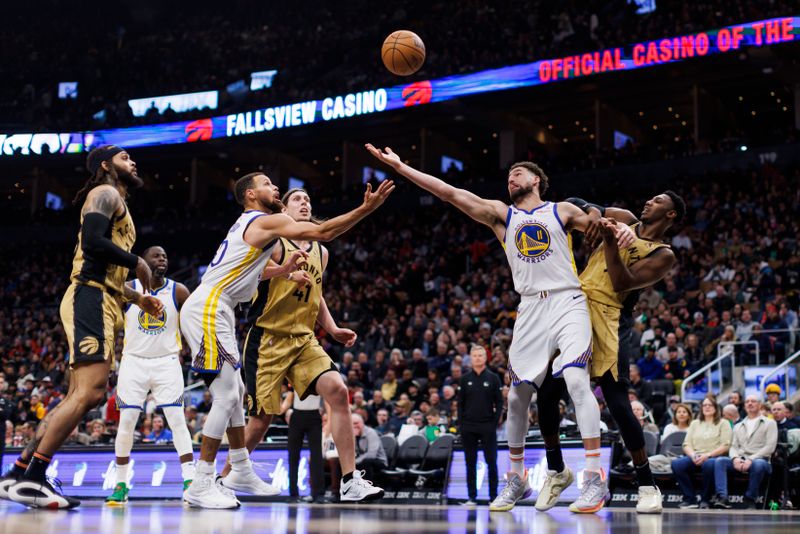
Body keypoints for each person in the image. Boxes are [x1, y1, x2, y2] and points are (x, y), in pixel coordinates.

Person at [365, 144, 633, 514]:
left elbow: (605, 224)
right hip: (529, 308)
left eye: (519, 173)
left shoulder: (561, 210)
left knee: (575, 379)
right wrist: (401, 167)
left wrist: (621, 231)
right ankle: (517, 478)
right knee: (516, 397)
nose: (512, 177)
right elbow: (448, 192)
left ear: (537, 180)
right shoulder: (501, 216)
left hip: (568, 300)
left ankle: (591, 477)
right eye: (509, 175)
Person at [180, 173, 392, 508]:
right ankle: (206, 480)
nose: (277, 189)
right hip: (244, 323)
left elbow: (258, 271)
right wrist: (366, 208)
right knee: (240, 405)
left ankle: (247, 472)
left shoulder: (288, 240)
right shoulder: (270, 225)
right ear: (251, 194)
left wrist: (329, 324)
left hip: (288, 331)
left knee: (243, 395)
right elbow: (325, 230)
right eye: (269, 185)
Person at [7, 146, 163, 510]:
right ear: (107, 166)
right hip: (89, 297)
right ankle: (33, 479)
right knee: (91, 393)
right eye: (126, 157)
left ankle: (18, 471)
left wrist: (136, 298)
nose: (133, 161)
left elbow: (102, 266)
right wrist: (137, 261)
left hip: (102, 296)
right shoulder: (104, 192)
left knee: (75, 396)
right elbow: (93, 244)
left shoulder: (116, 202)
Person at [535, 192, 683, 514]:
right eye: (650, 199)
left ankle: (647, 485)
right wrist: (595, 218)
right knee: (546, 394)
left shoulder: (663, 253)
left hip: (610, 317)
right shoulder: (625, 217)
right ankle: (557, 471)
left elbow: (621, 283)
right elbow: (574, 200)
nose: (649, 203)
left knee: (617, 403)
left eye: (657, 201)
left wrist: (610, 241)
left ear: (670, 215)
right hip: (573, 308)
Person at [106, 246, 194, 505]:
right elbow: (110, 293)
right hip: (133, 361)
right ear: (142, 262)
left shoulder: (178, 291)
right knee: (127, 421)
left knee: (177, 420)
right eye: (156, 256)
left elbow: (191, 324)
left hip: (167, 361)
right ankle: (121, 484)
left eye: (165, 256)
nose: (162, 259)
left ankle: (190, 482)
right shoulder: (129, 287)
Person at [712, 395, 778, 509]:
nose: (750, 403)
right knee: (720, 461)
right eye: (747, 402)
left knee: (758, 464)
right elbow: (733, 447)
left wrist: (751, 459)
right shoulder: (738, 425)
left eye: (753, 401)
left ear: (760, 405)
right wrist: (735, 458)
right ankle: (722, 497)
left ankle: (750, 498)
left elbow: (770, 447)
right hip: (740, 460)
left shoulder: (770, 423)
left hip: (761, 460)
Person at [457, 345, 503, 506]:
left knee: (491, 462)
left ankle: (493, 497)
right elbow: (460, 404)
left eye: (480, 355)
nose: (477, 358)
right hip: (468, 427)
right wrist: (461, 424)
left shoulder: (493, 378)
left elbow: (499, 401)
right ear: (470, 358)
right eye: (475, 355)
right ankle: (472, 497)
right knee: (470, 462)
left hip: (487, 426)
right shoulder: (464, 379)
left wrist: (494, 422)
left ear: (485, 358)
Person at [671, 397, 732, 508]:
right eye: (704, 405)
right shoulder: (695, 423)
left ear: (716, 408)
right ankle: (690, 499)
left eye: (710, 405)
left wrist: (707, 455)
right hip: (695, 456)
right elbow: (686, 444)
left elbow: (726, 445)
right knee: (677, 464)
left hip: (713, 456)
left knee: (709, 464)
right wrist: (693, 455)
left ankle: (706, 499)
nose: (707, 407)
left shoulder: (724, 423)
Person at [285, 390, 324, 503]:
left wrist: (330, 423)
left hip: (314, 416)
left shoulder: (318, 377)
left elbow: (327, 402)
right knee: (293, 455)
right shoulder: (294, 380)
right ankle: (293, 494)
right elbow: (285, 405)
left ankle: (317, 493)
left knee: (316, 456)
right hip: (297, 416)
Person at [352, 413, 388, 479]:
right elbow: (352, 452)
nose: (354, 426)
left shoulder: (371, 433)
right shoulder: (353, 434)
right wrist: (353, 438)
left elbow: (372, 455)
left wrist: (356, 461)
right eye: (352, 424)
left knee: (366, 462)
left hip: (379, 461)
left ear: (362, 423)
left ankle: (367, 487)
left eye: (356, 423)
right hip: (362, 460)